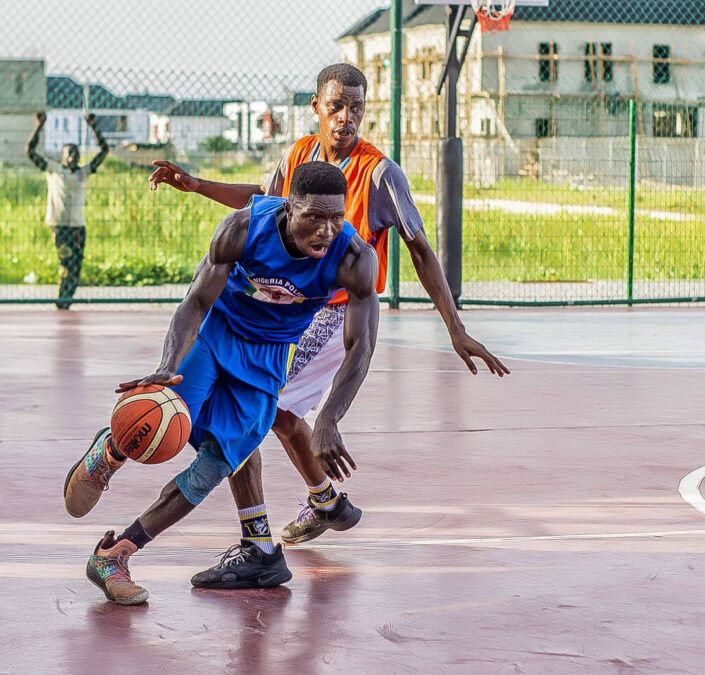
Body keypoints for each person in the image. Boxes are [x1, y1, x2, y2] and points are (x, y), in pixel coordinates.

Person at [147, 63, 508, 544]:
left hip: (336, 310)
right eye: (337, 106)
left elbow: (420, 248)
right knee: (274, 413)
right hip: (291, 305)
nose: (346, 117)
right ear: (316, 105)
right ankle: (325, 502)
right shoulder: (301, 153)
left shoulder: (380, 173)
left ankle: (264, 538)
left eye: (357, 108)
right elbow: (265, 201)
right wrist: (198, 185)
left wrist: (455, 328)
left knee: (258, 407)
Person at [63, 161, 379, 604]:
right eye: (314, 217)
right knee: (158, 416)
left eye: (336, 218)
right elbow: (195, 302)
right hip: (216, 332)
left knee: (215, 465)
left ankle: (114, 555)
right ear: (289, 208)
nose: (326, 230)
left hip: (268, 359)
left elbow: (361, 346)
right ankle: (110, 451)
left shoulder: (354, 258)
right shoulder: (243, 229)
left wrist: (329, 417)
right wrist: (168, 364)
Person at [25, 111, 109, 309]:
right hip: (61, 226)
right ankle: (61, 300)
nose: (72, 156)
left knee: (76, 266)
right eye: (69, 153)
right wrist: (39, 125)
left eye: (75, 153)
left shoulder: (83, 172)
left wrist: (93, 126)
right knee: (66, 262)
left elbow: (104, 151)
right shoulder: (54, 170)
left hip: (78, 226)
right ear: (62, 156)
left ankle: (66, 301)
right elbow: (30, 152)